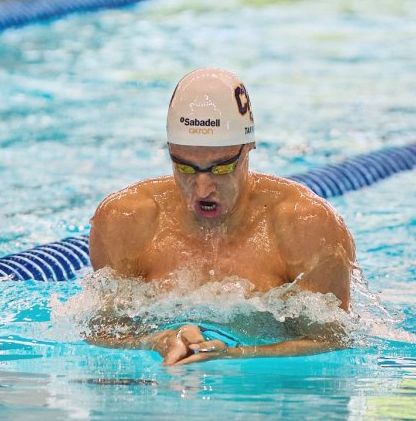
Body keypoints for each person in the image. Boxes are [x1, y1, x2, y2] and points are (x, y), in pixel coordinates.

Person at [86, 67, 357, 366]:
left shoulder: (304, 224)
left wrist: (234, 355)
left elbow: (334, 341)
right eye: (185, 167)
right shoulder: (126, 220)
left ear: (248, 148)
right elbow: (102, 334)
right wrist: (154, 341)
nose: (202, 189)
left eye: (221, 167)